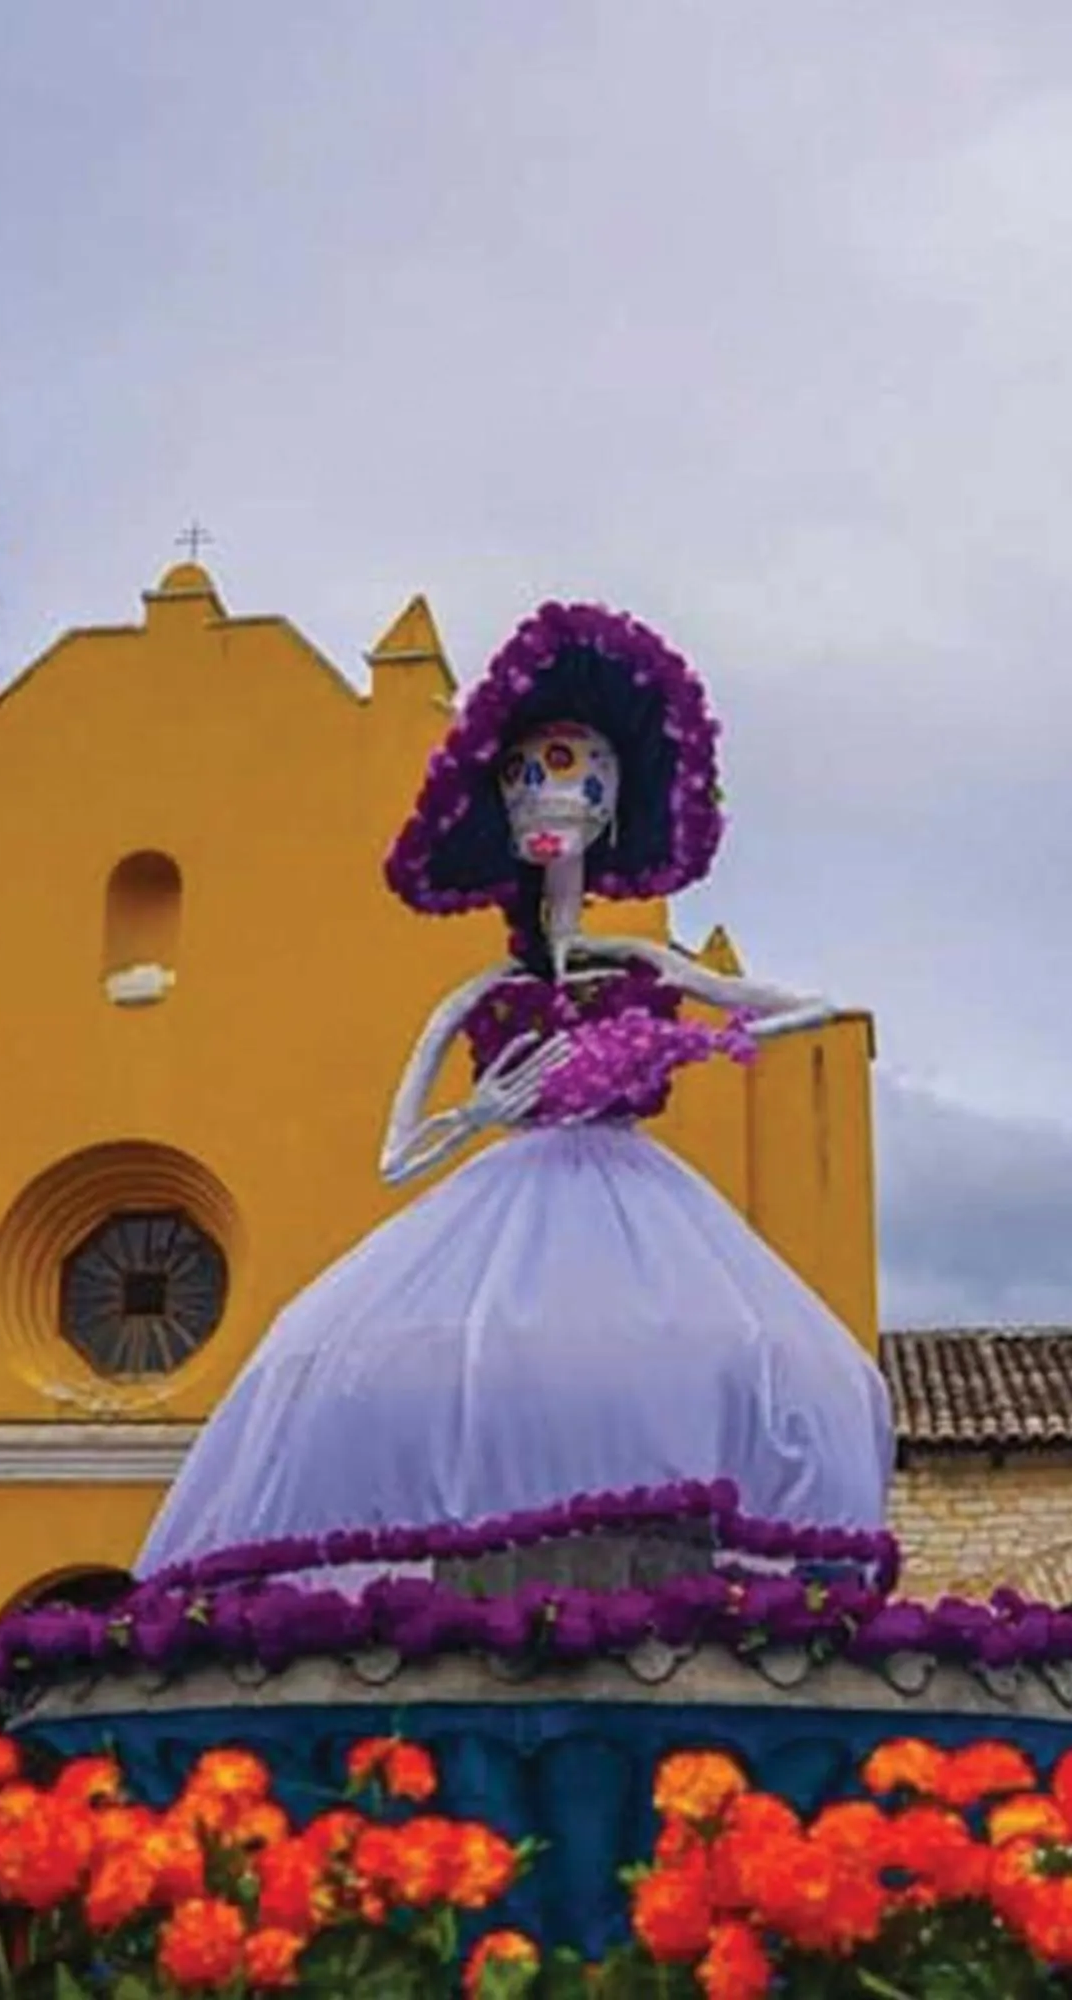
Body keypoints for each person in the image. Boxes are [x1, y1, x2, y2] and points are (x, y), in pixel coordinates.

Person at [132, 602, 894, 1592]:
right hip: (503, 1190)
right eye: (530, 774)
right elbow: (398, 1155)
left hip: (637, 1202)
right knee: (414, 1372)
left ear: (614, 802)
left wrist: (683, 1040)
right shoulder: (482, 995)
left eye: (576, 773)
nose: (551, 796)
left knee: (703, 1360)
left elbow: (813, 1006)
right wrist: (483, 1109)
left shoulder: (643, 958)